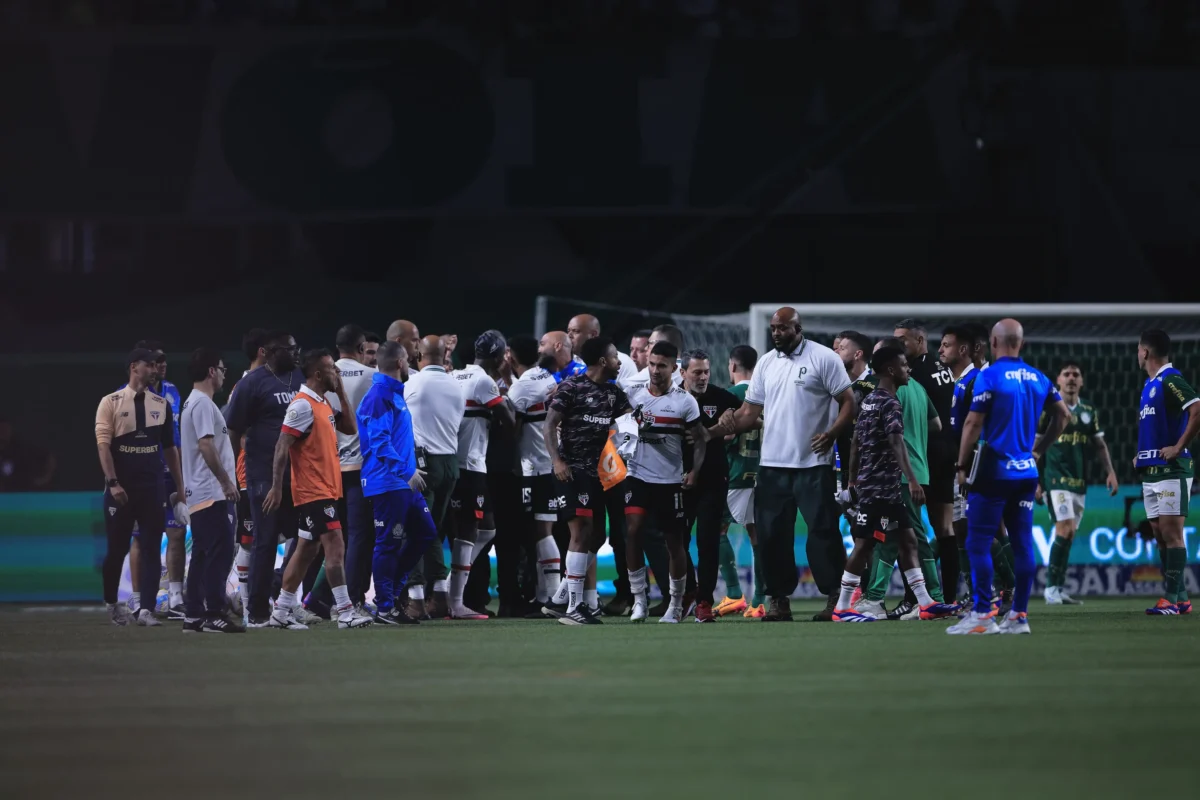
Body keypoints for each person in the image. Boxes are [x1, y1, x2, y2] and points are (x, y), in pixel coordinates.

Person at [716, 308, 855, 622]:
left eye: (782, 328)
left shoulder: (824, 358)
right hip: (773, 466)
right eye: (773, 328)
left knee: (823, 532)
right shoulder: (766, 363)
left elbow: (849, 401)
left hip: (813, 464)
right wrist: (712, 431)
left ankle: (836, 597)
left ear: (798, 328)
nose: (776, 333)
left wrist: (832, 433)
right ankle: (778, 600)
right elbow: (750, 414)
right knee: (771, 535)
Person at [949, 318, 1070, 635]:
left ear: (993, 343)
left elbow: (973, 423)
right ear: (1021, 344)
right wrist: (1039, 449)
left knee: (977, 542)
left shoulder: (988, 375)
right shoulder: (1038, 377)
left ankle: (982, 616)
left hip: (994, 470)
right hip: (1026, 472)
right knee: (1021, 544)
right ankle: (1019, 616)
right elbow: (1064, 415)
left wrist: (962, 467)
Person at [835, 346, 957, 622]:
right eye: (903, 365)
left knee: (909, 539)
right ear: (891, 369)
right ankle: (843, 607)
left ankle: (925, 602)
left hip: (883, 488)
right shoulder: (890, 402)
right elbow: (896, 441)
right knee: (865, 544)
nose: (908, 369)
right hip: (879, 488)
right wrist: (913, 480)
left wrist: (853, 479)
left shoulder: (869, 400)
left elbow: (855, 442)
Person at [264, 349, 371, 630]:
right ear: (318, 374)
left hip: (327, 489)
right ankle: (346, 612)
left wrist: (342, 393)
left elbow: (350, 427)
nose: (337, 373)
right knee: (336, 546)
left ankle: (281, 612)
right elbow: (281, 446)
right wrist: (276, 487)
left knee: (306, 552)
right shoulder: (301, 406)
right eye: (332, 369)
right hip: (314, 493)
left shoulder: (322, 402)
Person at [95, 349, 187, 626]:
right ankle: (112, 603)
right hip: (121, 491)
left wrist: (180, 487)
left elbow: (170, 448)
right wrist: (113, 483)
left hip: (152, 487)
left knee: (150, 548)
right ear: (134, 367)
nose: (155, 369)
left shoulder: (161, 403)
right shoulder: (110, 402)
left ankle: (146, 609)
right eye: (149, 365)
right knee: (116, 549)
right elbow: (103, 446)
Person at [544, 337, 632, 626]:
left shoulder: (612, 393)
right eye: (616, 357)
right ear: (604, 361)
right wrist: (557, 461)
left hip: (596, 475)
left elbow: (630, 421)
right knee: (581, 533)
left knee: (596, 536)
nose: (620, 362)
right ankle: (573, 607)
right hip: (570, 472)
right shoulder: (572, 387)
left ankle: (559, 600)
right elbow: (549, 424)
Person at [224, 330, 306, 627]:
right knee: (265, 541)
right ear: (270, 351)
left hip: (299, 476)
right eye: (291, 349)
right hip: (263, 478)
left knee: (309, 538)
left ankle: (284, 603)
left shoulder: (300, 377)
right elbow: (233, 430)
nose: (296, 353)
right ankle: (257, 612)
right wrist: (233, 472)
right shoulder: (251, 384)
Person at [622, 342, 708, 623]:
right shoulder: (633, 395)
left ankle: (675, 603)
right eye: (652, 364)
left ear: (675, 368)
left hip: (670, 481)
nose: (656, 370)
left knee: (674, 542)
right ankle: (639, 601)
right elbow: (618, 428)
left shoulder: (685, 401)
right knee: (633, 531)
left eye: (662, 365)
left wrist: (694, 471)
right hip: (637, 474)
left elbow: (700, 440)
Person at [358, 341, 438, 625]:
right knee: (388, 543)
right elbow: (379, 442)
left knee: (425, 533)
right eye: (408, 357)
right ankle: (385, 607)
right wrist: (406, 471)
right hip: (389, 482)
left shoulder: (392, 393)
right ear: (400, 362)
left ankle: (389, 595)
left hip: (402, 482)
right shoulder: (380, 395)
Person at [1037, 361, 1118, 605]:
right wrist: (1034, 481)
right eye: (1066, 374)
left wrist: (1111, 472)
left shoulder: (1088, 411)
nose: (1071, 378)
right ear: (1058, 380)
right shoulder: (1048, 410)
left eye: (1076, 375)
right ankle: (1050, 588)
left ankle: (1059, 588)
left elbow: (1100, 445)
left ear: (1081, 382)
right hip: (1055, 478)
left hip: (1078, 481)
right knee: (1064, 528)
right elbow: (1035, 446)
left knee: (1069, 533)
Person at [893, 319, 958, 620]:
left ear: (920, 340)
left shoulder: (911, 373)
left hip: (922, 457)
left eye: (902, 340)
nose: (898, 347)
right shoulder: (946, 369)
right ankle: (949, 597)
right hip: (948, 455)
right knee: (945, 529)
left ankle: (916, 598)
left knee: (910, 531)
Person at [448, 330, 515, 619]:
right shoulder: (485, 381)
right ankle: (454, 598)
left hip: (454, 461)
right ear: (499, 357)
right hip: (470, 465)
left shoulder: (457, 376)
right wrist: (508, 382)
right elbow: (510, 422)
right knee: (473, 530)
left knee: (482, 529)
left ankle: (451, 591)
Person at [1135, 329, 1200, 615]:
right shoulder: (1150, 384)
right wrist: (1143, 453)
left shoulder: (1170, 379)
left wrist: (1178, 446)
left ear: (1145, 352)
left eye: (1139, 350)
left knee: (1173, 533)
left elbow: (1197, 409)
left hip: (1172, 468)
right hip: (1152, 470)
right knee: (1159, 533)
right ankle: (1182, 598)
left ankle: (1170, 600)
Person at [179, 347, 243, 633]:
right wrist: (226, 482)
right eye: (221, 368)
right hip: (212, 493)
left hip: (199, 492)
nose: (223, 373)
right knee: (219, 553)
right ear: (210, 372)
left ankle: (193, 615)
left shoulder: (190, 402)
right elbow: (206, 445)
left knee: (203, 555)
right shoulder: (204, 404)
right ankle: (214, 613)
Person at [404, 334, 465, 619]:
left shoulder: (413, 384)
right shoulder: (456, 386)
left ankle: (416, 599)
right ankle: (440, 595)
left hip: (423, 463)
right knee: (433, 532)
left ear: (418, 354)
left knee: (415, 530)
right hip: (450, 464)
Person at [126, 340, 187, 619]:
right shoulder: (128, 396)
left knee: (177, 533)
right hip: (143, 476)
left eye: (163, 360)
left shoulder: (172, 391)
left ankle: (175, 596)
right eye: (155, 361)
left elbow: (176, 439)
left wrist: (182, 476)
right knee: (140, 539)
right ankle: (137, 599)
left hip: (170, 476)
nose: (160, 366)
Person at [680, 348, 740, 622]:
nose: (703, 377)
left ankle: (704, 600)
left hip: (714, 479)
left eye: (706, 371)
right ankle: (686, 593)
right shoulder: (672, 398)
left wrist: (732, 425)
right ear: (682, 373)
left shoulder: (721, 397)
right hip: (676, 480)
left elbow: (754, 419)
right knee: (675, 541)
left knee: (708, 541)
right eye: (697, 372)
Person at [506, 335, 563, 612]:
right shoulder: (544, 376)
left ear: (510, 356)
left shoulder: (522, 386)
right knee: (545, 529)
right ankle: (545, 596)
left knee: (541, 531)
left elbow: (510, 429)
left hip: (535, 467)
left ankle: (551, 597)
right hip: (549, 463)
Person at [330, 324, 379, 614]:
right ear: (361, 349)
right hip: (360, 466)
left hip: (327, 467)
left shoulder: (321, 374)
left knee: (325, 535)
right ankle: (353, 600)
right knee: (360, 534)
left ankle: (314, 599)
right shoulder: (372, 377)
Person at [715, 344, 766, 619]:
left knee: (718, 530)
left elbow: (724, 436)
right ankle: (760, 601)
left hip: (733, 474)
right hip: (764, 473)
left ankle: (734, 593)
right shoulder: (767, 395)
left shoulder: (728, 396)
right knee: (758, 536)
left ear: (732, 367)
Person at [226, 328, 267, 615]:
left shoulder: (270, 382)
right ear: (263, 351)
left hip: (277, 475)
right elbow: (236, 431)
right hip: (249, 475)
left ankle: (275, 598)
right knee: (249, 539)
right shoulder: (245, 386)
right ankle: (245, 598)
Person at [567, 313, 638, 383]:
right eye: (568, 331)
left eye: (576, 331)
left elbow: (631, 392)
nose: (569, 335)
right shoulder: (569, 361)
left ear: (593, 335)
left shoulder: (622, 361)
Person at [0, 412, 55, 491]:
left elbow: (48, 457)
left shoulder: (20, 449)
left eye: (5, 429)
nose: (3, 433)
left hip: (19, 495)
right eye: (1, 430)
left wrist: (44, 479)